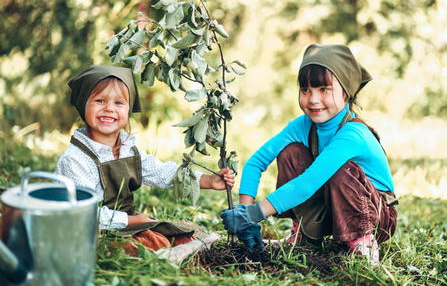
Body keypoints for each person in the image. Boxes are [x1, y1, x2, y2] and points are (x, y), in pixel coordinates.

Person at [221, 43, 397, 266]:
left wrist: (254, 213)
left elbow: (307, 183)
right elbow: (256, 162)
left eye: (324, 89)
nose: (313, 99)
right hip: (334, 205)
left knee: (341, 170)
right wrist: (245, 214)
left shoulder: (353, 133)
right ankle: (303, 235)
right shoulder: (303, 125)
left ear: (346, 92)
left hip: (377, 215)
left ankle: (363, 244)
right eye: (306, 90)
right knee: (291, 153)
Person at [55, 65, 235, 254]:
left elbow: (161, 172)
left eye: (118, 103)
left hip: (124, 222)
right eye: (100, 100)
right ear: (84, 104)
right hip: (86, 228)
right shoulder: (76, 158)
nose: (109, 109)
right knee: (154, 244)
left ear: (129, 109)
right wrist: (133, 221)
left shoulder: (127, 149)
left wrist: (207, 180)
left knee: (181, 237)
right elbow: (85, 213)